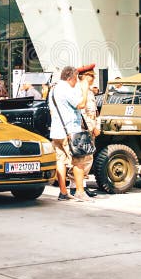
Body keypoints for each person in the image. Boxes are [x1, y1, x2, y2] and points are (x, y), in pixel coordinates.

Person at [48, 66, 90, 201]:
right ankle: (80, 192)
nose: (77, 82)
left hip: (56, 131)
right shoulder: (66, 88)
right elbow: (81, 104)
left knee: (60, 161)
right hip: (70, 130)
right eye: (76, 79)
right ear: (71, 78)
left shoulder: (53, 89)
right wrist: (84, 90)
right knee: (78, 161)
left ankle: (63, 192)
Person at [72, 64, 100, 198]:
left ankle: (82, 185)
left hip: (90, 126)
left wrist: (97, 124)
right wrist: (92, 127)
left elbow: (94, 111)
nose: (93, 78)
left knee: (87, 158)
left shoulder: (88, 91)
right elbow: (82, 112)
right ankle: (76, 186)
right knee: (81, 158)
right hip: (83, 128)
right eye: (91, 75)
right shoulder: (79, 90)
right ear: (83, 76)